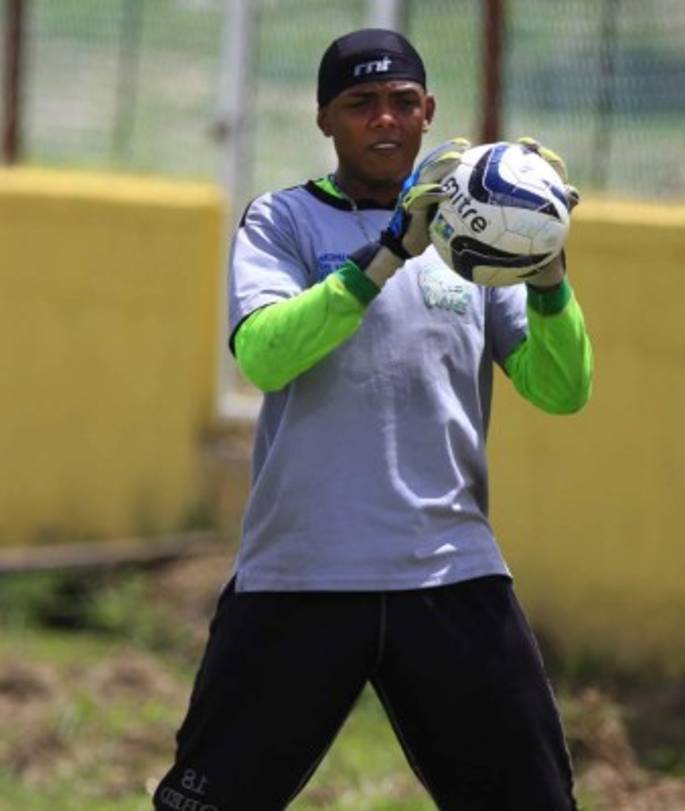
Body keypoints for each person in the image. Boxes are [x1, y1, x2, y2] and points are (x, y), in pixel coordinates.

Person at [153, 28, 591, 811]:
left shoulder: (476, 243)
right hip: (302, 571)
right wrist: (387, 252)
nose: (384, 119)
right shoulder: (282, 222)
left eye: (401, 102)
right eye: (361, 104)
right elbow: (264, 356)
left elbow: (562, 389)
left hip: (451, 572)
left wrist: (550, 270)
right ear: (325, 119)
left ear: (428, 113)